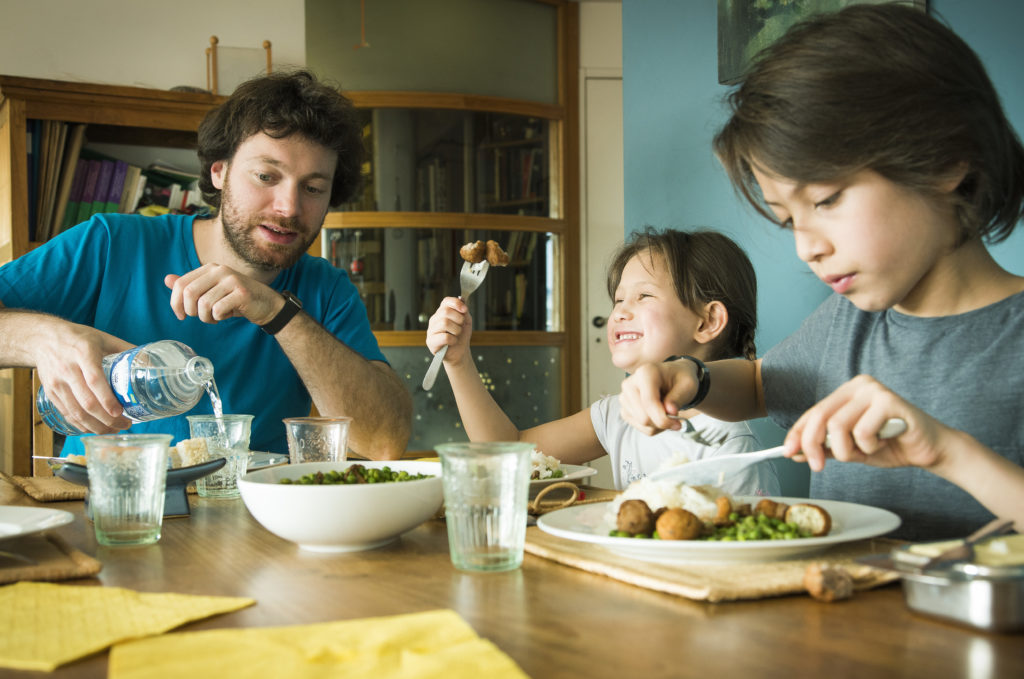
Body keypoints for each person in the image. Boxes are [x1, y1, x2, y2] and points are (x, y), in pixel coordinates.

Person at [617, 5, 1024, 538]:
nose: (807, 248)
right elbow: (764, 385)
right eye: (789, 219)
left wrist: (947, 453)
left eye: (827, 199)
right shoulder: (846, 322)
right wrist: (690, 377)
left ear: (946, 162)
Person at [0, 69, 412, 459]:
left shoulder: (327, 288)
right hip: (109, 508)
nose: (289, 207)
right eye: (267, 177)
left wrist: (276, 312)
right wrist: (43, 339)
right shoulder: (111, 242)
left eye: (314, 187)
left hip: (249, 525)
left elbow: (384, 442)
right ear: (220, 171)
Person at [426, 227, 779, 495]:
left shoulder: (732, 452)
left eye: (643, 296)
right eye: (618, 299)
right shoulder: (618, 416)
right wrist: (458, 361)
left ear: (707, 322)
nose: (620, 312)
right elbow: (508, 453)